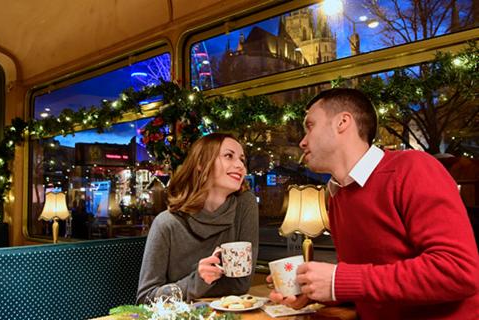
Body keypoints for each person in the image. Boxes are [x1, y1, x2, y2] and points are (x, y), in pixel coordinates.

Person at [269, 88, 479, 319]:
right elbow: (375, 282)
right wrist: (318, 290)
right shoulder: (337, 194)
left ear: (342, 122)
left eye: (310, 126)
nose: (302, 142)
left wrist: (339, 281)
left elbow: (459, 272)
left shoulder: (413, 168)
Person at [137, 132, 259, 303]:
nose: (240, 166)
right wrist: (197, 281)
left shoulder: (245, 205)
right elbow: (145, 299)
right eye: (229, 156)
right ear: (201, 163)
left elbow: (241, 284)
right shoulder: (167, 224)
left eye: (242, 159)